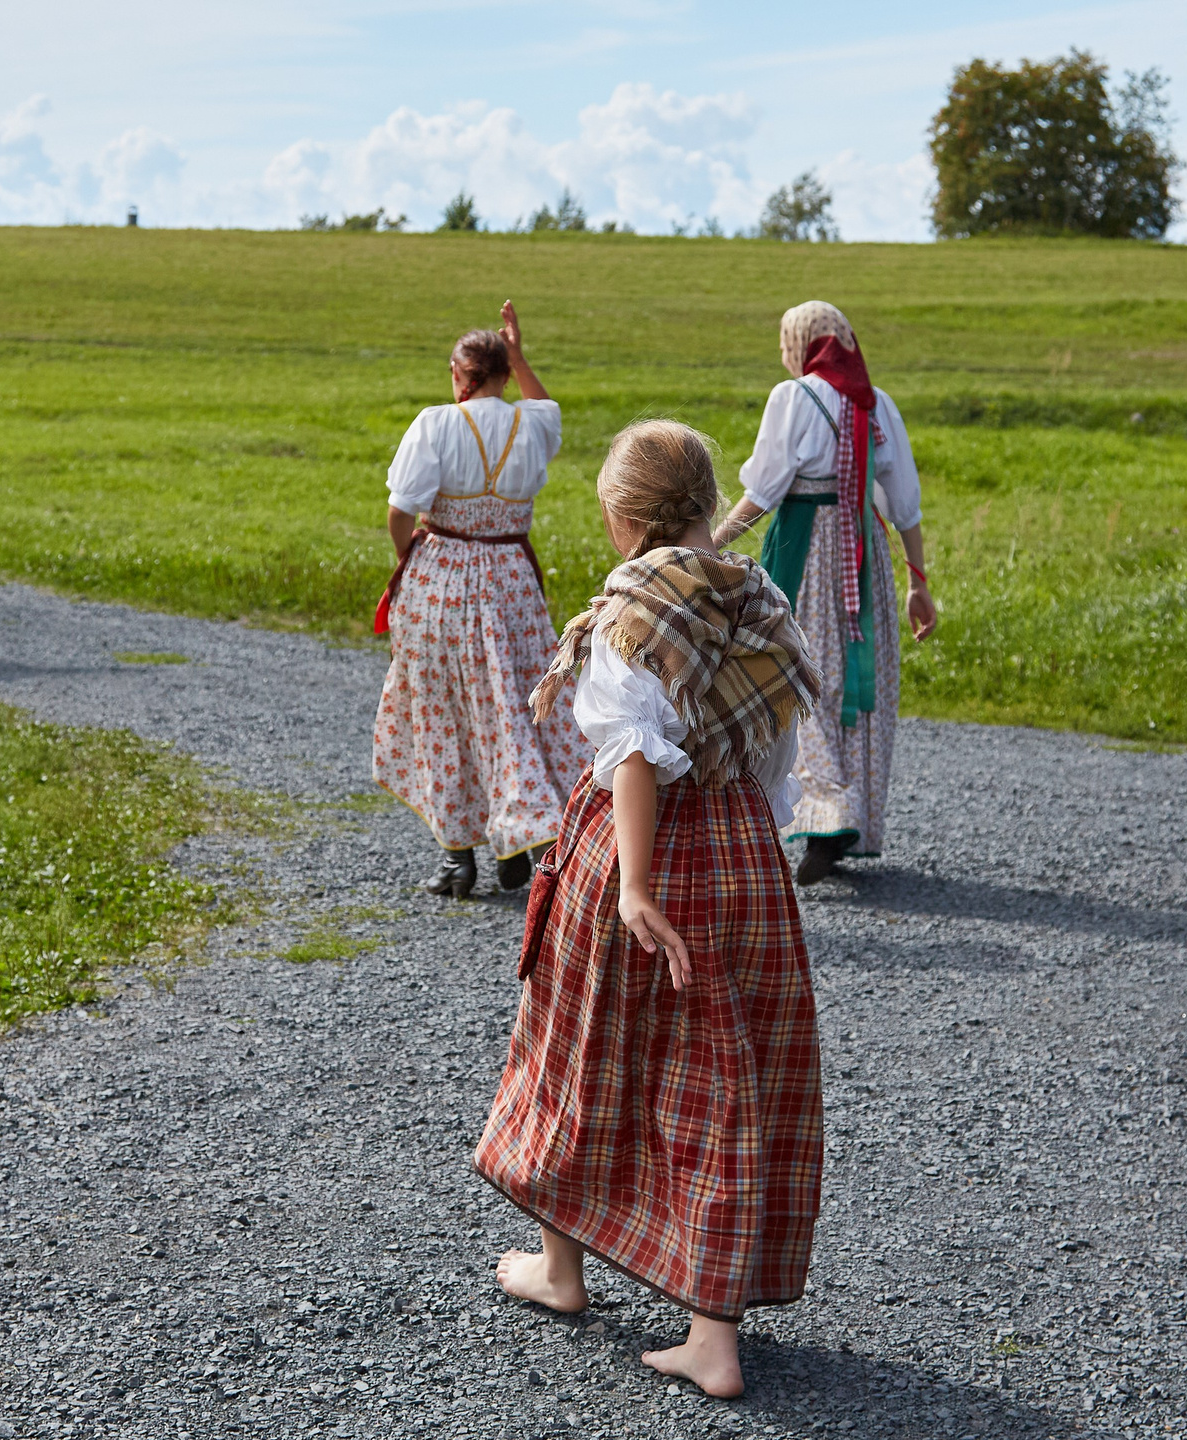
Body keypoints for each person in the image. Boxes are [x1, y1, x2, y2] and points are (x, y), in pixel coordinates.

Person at [476, 420, 823, 1399]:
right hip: (742, 851)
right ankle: (711, 1335)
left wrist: (633, 883)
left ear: (622, 516)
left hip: (638, 855)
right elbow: (772, 750)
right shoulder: (760, 596)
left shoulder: (632, 609)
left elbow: (629, 753)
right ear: (709, 505)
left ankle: (563, 1270)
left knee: (576, 1049)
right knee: (722, 1080)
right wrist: (754, 841)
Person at [711, 301, 938, 884]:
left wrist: (706, 546)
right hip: (863, 556)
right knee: (855, 680)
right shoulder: (876, 404)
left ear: (799, 343)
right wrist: (918, 582)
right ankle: (847, 815)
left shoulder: (794, 399)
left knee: (794, 668)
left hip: (806, 553)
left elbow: (763, 491)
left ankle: (825, 817)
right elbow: (904, 501)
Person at [372, 302, 588, 897]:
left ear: (458, 373)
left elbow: (400, 509)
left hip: (443, 574)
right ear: (501, 370)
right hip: (511, 577)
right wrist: (520, 356)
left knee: (444, 710)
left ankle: (457, 856)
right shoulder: (533, 424)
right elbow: (546, 406)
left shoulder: (435, 424)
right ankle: (516, 834)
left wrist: (406, 560)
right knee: (514, 707)